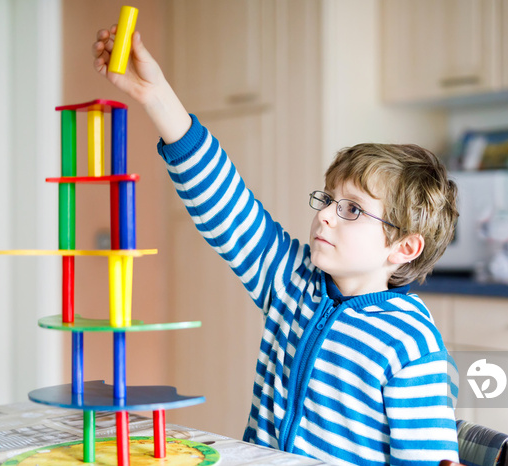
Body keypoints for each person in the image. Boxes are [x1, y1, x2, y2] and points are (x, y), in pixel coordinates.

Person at [92, 23, 460, 466]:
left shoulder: (410, 342)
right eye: (328, 199)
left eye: (353, 210)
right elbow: (225, 204)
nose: (324, 214)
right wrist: (155, 95)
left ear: (404, 247)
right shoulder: (294, 284)